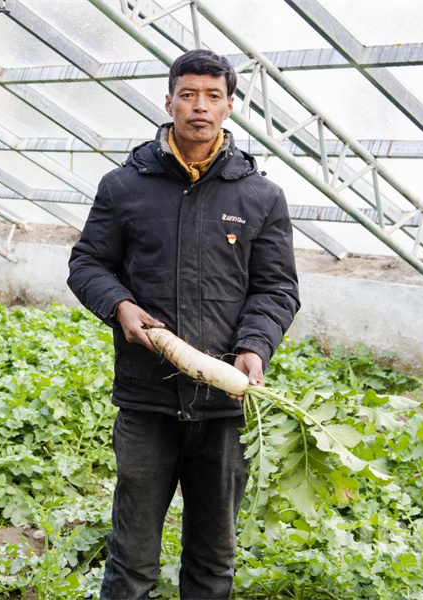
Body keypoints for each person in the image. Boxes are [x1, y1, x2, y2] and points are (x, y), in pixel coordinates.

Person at [67, 49, 300, 600]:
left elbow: (277, 288)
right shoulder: (125, 186)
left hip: (225, 407)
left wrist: (254, 346)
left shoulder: (260, 196)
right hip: (147, 400)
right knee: (131, 559)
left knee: (213, 561)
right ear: (169, 101)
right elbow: (87, 264)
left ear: (229, 106)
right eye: (189, 94)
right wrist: (119, 305)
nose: (200, 106)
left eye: (213, 96)